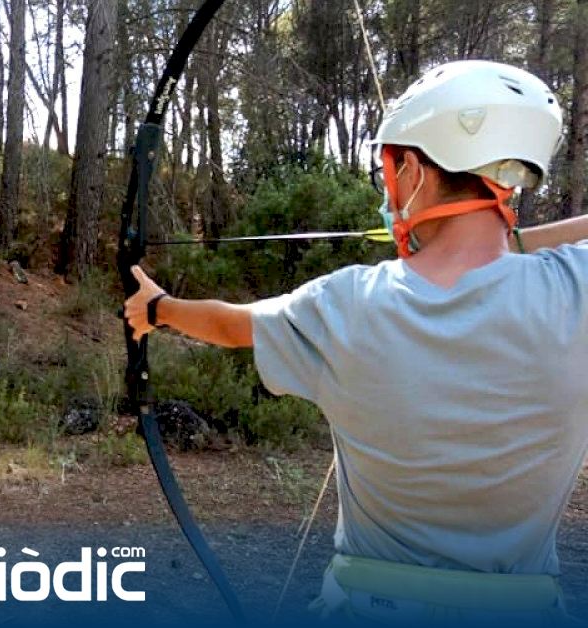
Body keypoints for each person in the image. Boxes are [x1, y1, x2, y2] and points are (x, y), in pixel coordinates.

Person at [124, 60, 588, 624]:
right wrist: (505, 239)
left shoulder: (345, 305)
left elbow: (229, 324)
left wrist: (157, 309)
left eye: (390, 169)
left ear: (413, 170)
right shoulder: (576, 290)